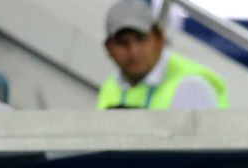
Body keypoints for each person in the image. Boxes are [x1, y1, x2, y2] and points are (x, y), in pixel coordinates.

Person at [98, 0, 229, 110]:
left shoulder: (192, 84)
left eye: (141, 39)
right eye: (123, 42)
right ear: (109, 48)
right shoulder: (110, 86)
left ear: (160, 39)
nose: (134, 51)